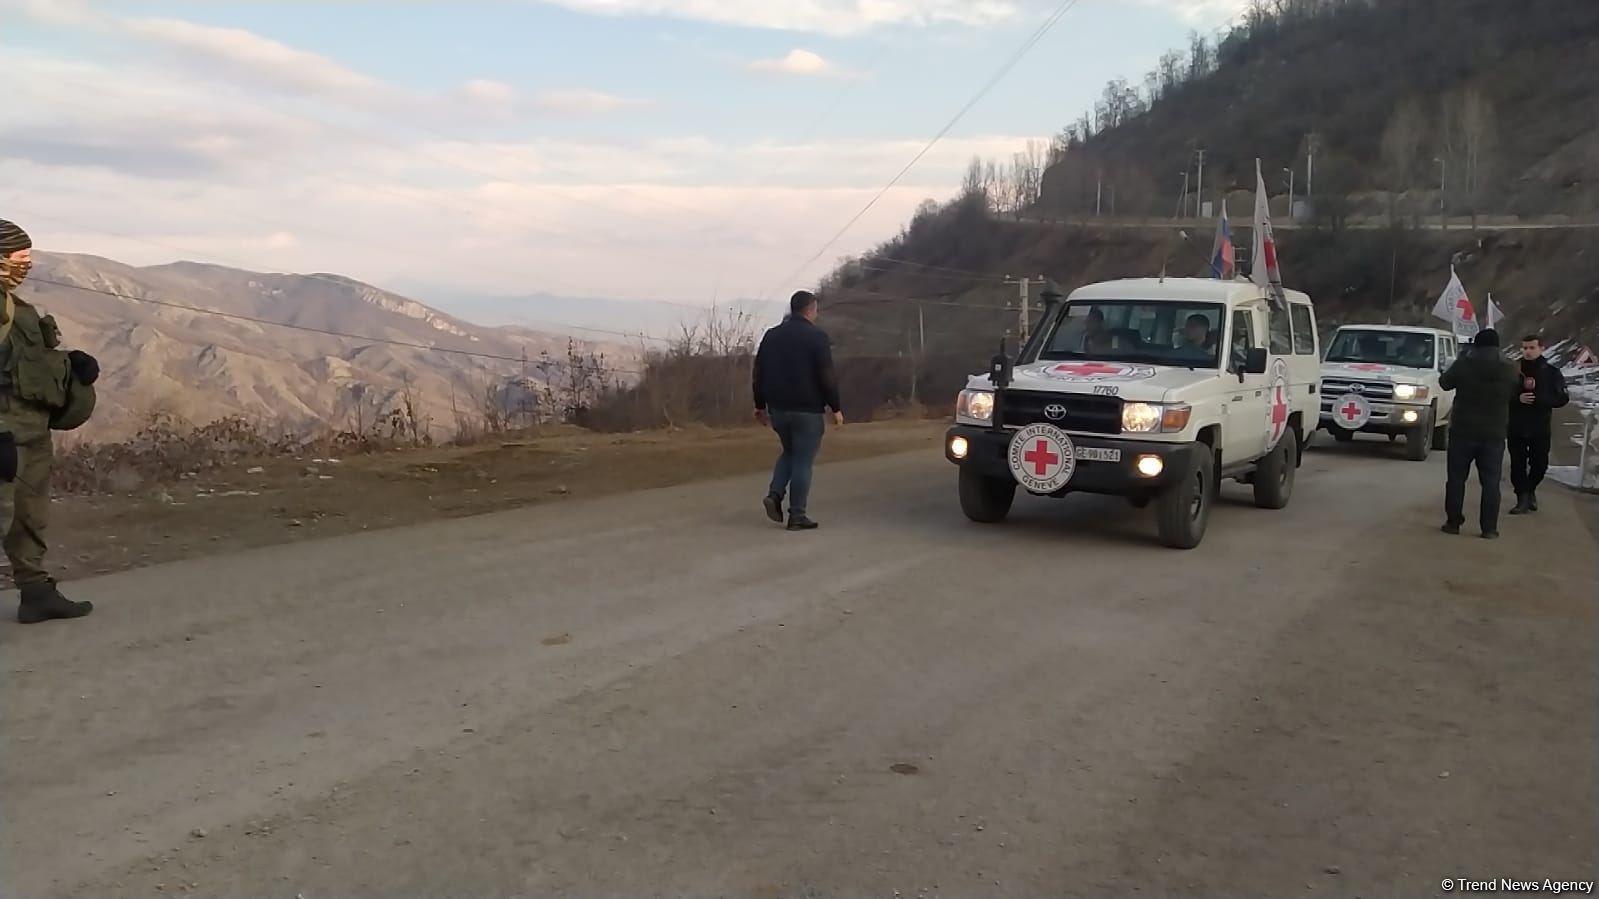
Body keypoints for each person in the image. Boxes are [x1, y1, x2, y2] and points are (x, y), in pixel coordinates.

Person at [0, 218, 98, 623]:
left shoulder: (15, 307)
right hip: (4, 435)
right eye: (19, 258)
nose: (27, 264)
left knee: (28, 516)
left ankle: (37, 594)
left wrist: (71, 368)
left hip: (29, 432)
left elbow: (24, 363)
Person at [752, 290, 843, 531]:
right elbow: (827, 375)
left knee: (790, 452)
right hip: (808, 410)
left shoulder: (771, 336)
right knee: (803, 459)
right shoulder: (817, 337)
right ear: (811, 309)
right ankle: (797, 515)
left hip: (778, 409)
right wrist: (835, 407)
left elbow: (758, 372)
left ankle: (775, 494)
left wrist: (759, 405)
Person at [1438, 328, 1519, 539]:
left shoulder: (1465, 362)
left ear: (1476, 344)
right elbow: (1516, 391)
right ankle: (1489, 528)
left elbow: (1444, 383)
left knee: (1456, 479)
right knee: (1491, 482)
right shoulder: (1509, 367)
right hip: (1494, 433)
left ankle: (1453, 522)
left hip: (1463, 430)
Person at [1507, 333, 1569, 515]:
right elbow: (1500, 394)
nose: (1528, 352)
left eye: (1532, 348)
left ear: (1541, 348)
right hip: (1516, 425)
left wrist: (1541, 399)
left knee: (1540, 464)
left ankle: (1530, 489)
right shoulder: (1513, 371)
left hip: (1539, 425)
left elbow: (1562, 397)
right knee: (1517, 464)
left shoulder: (1551, 372)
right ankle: (1522, 498)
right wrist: (1517, 398)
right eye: (1525, 348)